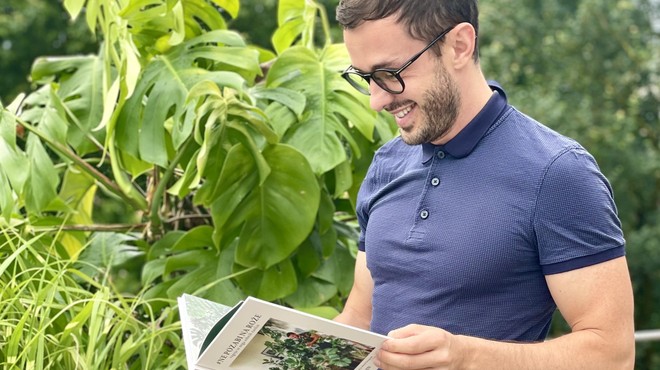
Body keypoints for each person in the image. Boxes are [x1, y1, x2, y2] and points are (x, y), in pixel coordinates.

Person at [333, 1, 635, 369]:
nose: (377, 102)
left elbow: (613, 355)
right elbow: (358, 319)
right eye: (366, 78)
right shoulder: (386, 165)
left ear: (459, 45)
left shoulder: (558, 173)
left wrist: (466, 357)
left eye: (390, 73)